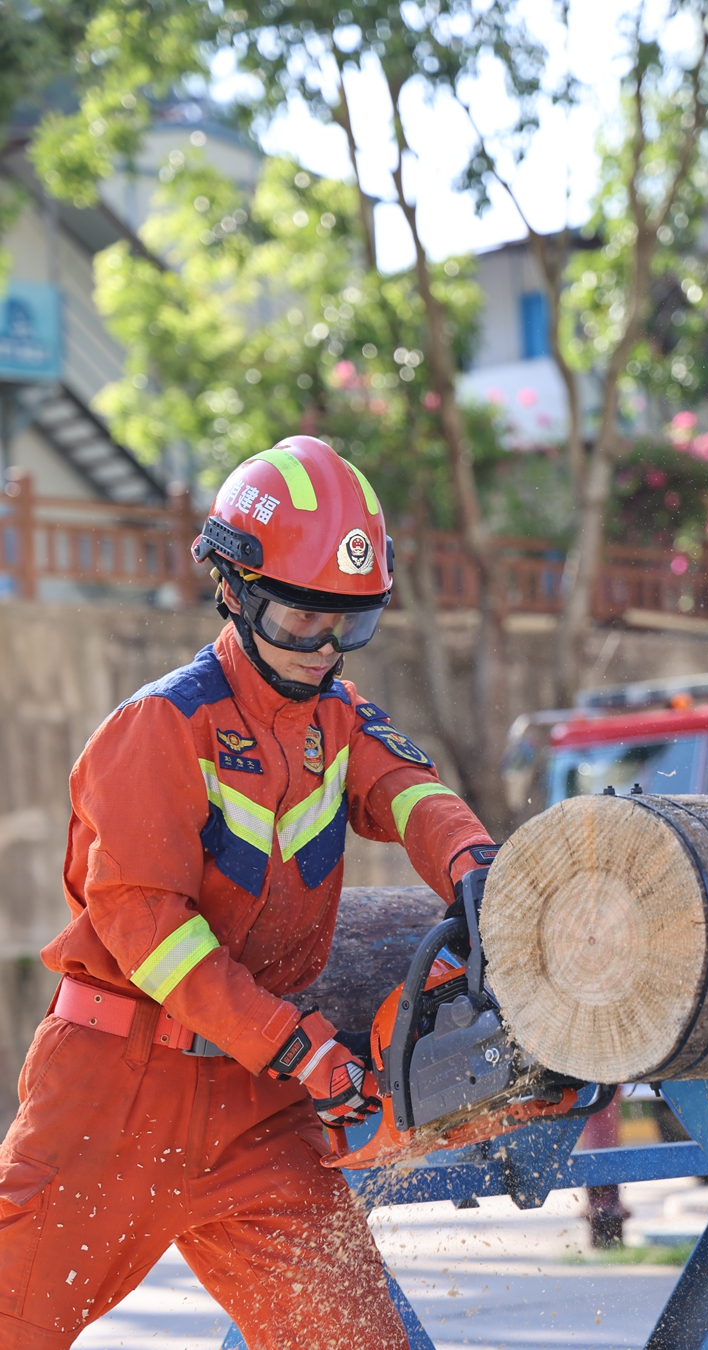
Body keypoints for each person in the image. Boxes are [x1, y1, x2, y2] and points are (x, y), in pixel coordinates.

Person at [0, 437, 496, 1350]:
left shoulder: (337, 718)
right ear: (232, 587)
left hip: (254, 1118)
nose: (324, 647)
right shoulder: (159, 728)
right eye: (302, 619)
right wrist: (294, 1044)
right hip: (112, 1098)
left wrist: (478, 870)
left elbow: (409, 792)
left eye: (351, 623)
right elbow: (149, 928)